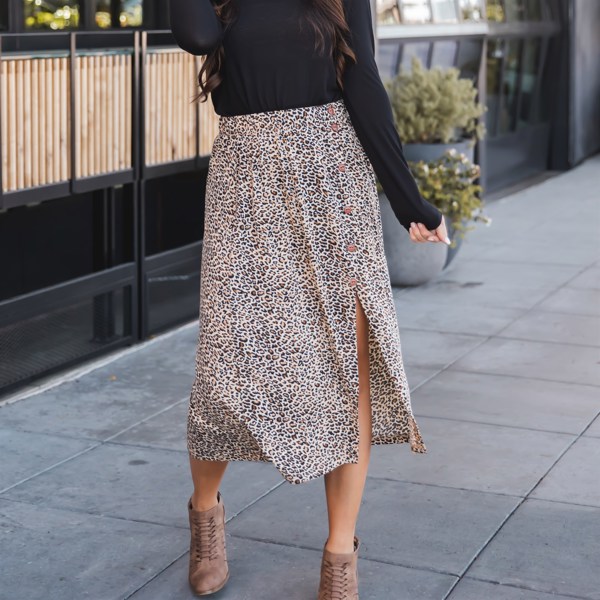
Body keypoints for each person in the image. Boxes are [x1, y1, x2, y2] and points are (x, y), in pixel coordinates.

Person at [168, 0, 450, 597]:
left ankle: (340, 553)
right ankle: (205, 513)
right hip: (246, 185)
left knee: (348, 366)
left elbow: (364, 83)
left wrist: (410, 202)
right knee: (224, 366)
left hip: (332, 179)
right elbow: (195, 34)